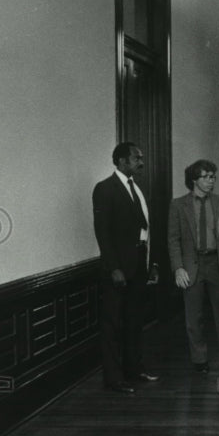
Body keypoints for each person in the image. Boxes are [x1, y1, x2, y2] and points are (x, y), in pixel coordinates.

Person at [92, 141, 160, 393]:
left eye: (141, 158)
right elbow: (103, 233)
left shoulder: (138, 189)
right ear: (121, 161)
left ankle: (134, 369)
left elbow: (146, 231)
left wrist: (152, 263)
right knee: (112, 324)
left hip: (139, 266)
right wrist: (113, 268)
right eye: (136, 158)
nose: (141, 162)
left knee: (134, 320)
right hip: (118, 269)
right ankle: (113, 378)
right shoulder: (105, 189)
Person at [167, 159, 219, 374]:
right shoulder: (178, 205)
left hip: (217, 264)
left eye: (213, 177)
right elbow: (173, 240)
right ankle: (199, 361)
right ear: (194, 180)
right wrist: (178, 268)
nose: (211, 181)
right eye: (206, 177)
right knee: (194, 317)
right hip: (192, 266)